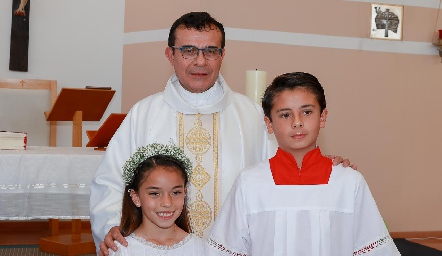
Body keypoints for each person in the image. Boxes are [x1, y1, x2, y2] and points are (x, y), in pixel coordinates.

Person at [90, 12, 353, 255]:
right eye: (189, 51)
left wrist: (322, 166)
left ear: (222, 55)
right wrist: (112, 227)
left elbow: (283, 172)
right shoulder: (143, 114)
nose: (200, 61)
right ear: (170, 55)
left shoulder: (249, 114)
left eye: (210, 51)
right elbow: (111, 182)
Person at [205, 72, 400, 255]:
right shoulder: (250, 183)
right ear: (269, 123)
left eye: (306, 112)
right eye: (285, 115)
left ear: (322, 117)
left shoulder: (348, 182)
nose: (297, 122)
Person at [108, 142, 205, 255]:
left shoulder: (200, 248)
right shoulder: (122, 251)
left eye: (176, 192)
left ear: (184, 193)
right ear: (136, 197)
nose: (167, 203)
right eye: (154, 193)